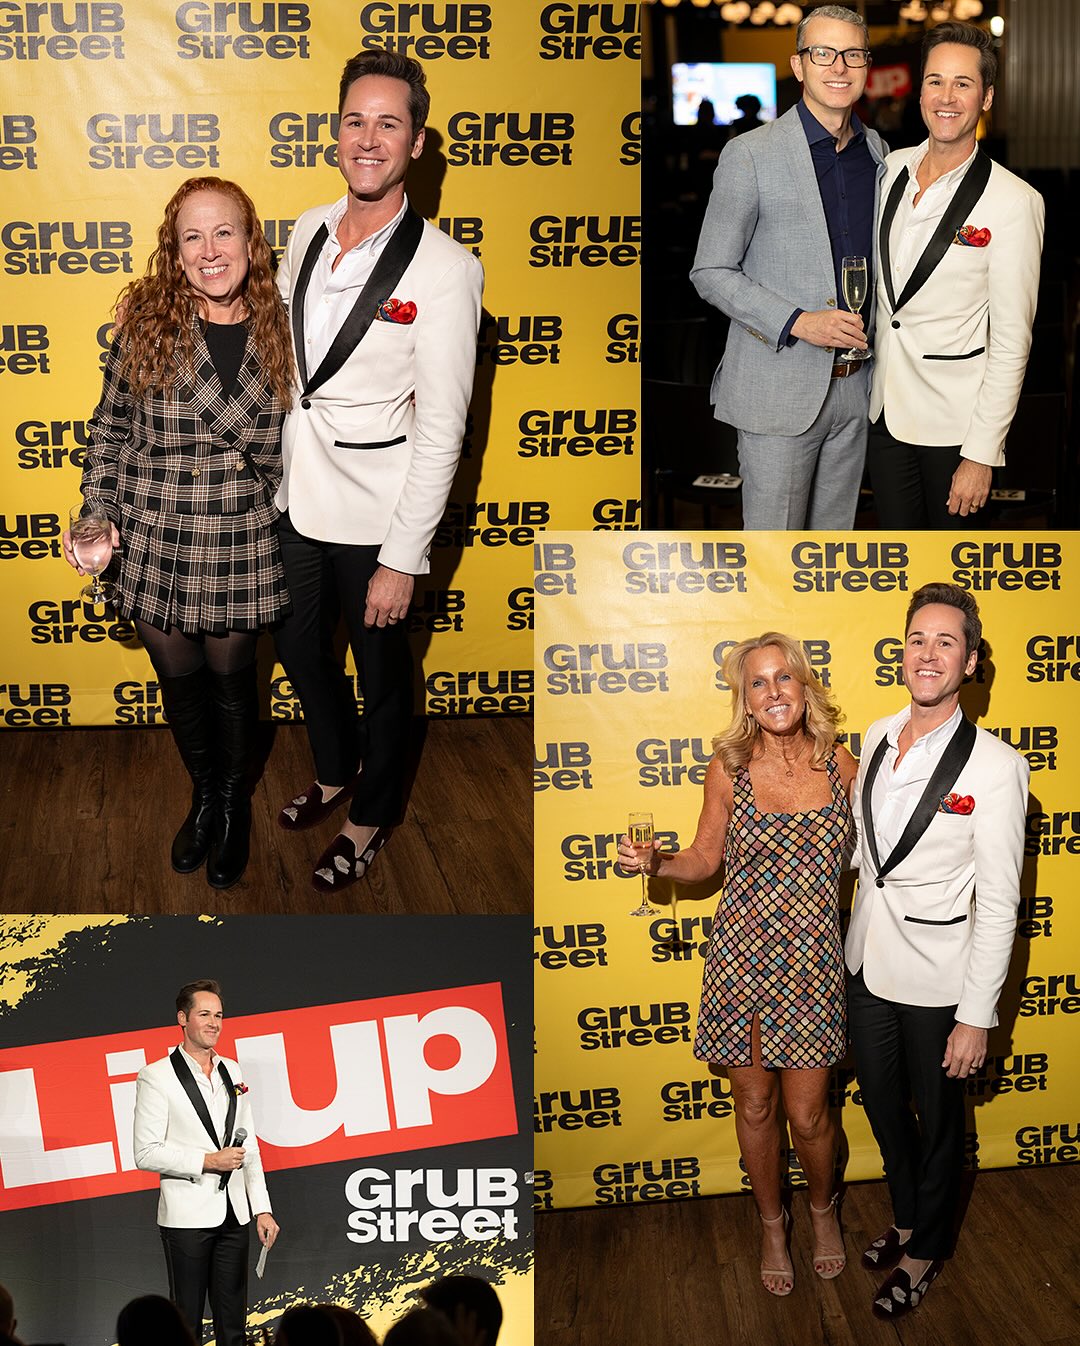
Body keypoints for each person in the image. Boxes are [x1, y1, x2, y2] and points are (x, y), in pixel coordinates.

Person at [272, 45, 483, 893]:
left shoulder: (445, 268)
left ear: (416, 144)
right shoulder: (305, 229)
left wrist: (403, 555)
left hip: (378, 517)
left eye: (387, 124)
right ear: (335, 134)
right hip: (297, 496)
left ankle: (372, 815)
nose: (369, 138)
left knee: (384, 676)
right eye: (355, 121)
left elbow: (444, 426)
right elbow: (291, 368)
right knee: (295, 646)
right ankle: (334, 768)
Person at [64, 177, 294, 890]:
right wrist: (97, 513)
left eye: (224, 232)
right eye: (191, 236)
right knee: (181, 682)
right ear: (175, 251)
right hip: (156, 531)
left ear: (250, 241)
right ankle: (204, 792)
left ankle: (232, 804)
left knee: (233, 685)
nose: (210, 249)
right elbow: (108, 430)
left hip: (239, 533)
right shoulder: (147, 325)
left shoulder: (290, 325)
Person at [618, 634, 857, 1296]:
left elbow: (881, 852)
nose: (774, 691)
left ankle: (821, 1211)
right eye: (758, 683)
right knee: (754, 1103)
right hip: (742, 956)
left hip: (812, 960)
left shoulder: (842, 765)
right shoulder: (730, 768)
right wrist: (659, 863)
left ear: (805, 688)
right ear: (745, 700)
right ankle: (773, 1224)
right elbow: (704, 858)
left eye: (785, 678)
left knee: (809, 1115)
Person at [845, 584, 1029, 1318]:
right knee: (887, 1110)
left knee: (942, 1122)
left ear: (971, 661)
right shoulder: (876, 735)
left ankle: (928, 1249)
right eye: (918, 638)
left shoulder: (996, 766)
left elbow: (1001, 904)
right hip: (865, 962)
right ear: (902, 651)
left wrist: (977, 1015)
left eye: (946, 642)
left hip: (938, 981)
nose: (928, 653)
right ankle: (908, 1214)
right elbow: (865, 854)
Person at [690, 6, 887, 528]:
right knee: (775, 562)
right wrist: (799, 321)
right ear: (799, 65)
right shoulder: (750, 154)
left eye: (852, 54)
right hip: (778, 389)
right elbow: (710, 270)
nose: (838, 66)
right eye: (823, 53)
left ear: (866, 65)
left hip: (856, 385)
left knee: (829, 557)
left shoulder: (879, 153)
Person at [867, 21, 1044, 526]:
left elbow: (1013, 340)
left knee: (950, 575)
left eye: (963, 84)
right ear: (919, 89)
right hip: (882, 412)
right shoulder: (889, 170)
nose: (947, 97)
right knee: (898, 559)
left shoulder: (1015, 202)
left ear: (986, 98)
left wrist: (982, 453)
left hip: (956, 428)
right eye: (935, 81)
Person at [133, 980, 279, 1346]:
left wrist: (261, 1209)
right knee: (185, 1326)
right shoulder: (156, 1075)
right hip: (186, 1219)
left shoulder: (232, 1071)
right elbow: (145, 1151)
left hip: (235, 1215)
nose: (214, 1023)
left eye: (219, 1015)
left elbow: (250, 1146)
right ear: (182, 1018)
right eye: (204, 1014)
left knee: (234, 1326)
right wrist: (207, 1161)